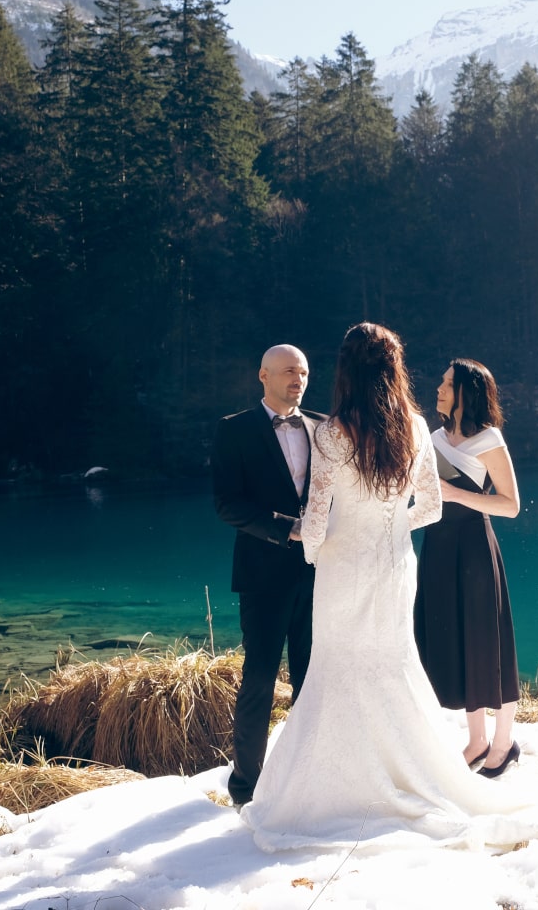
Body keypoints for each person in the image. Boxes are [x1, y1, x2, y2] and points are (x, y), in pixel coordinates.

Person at [242, 324, 531, 850]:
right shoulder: (419, 428)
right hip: (396, 565)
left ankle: (337, 784)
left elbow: (317, 516)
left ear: (347, 371)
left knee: (336, 669)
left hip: (340, 569)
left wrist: (314, 549)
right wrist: (392, 529)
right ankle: (409, 773)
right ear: (394, 369)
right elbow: (432, 507)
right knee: (392, 666)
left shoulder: (330, 433)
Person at [212, 344, 325, 807]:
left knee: (312, 678)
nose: (297, 379)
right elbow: (228, 505)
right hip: (262, 575)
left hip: (320, 573)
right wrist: (288, 529)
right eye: (287, 372)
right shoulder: (233, 430)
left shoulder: (324, 428)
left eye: (302, 371)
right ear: (263, 376)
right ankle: (246, 787)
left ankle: (307, 777)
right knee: (258, 678)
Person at [414, 359, 523, 778]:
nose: (438, 388)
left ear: (466, 391)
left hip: (475, 547)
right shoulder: (434, 436)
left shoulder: (489, 439)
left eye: (446, 383)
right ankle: (476, 739)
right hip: (438, 547)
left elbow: (509, 505)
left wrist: (454, 494)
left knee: (488, 642)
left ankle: (503, 742)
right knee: (456, 640)